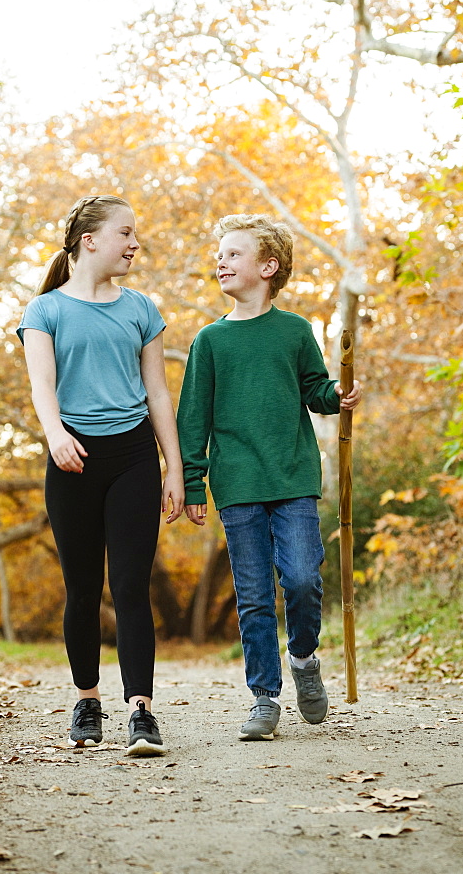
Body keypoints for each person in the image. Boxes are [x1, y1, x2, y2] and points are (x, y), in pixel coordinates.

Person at [177, 214, 362, 741]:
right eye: (221, 254)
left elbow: (314, 389)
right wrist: (193, 484)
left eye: (234, 254)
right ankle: (264, 696)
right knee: (255, 595)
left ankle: (304, 658)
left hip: (292, 476)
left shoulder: (294, 330)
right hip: (237, 483)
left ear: (267, 266)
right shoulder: (210, 341)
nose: (222, 261)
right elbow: (193, 419)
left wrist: (337, 396)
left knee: (303, 579)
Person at [17, 194, 184, 757]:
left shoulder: (142, 309)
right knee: (83, 588)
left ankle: (142, 711)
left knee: (132, 586)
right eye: (126, 234)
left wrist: (174, 468)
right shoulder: (45, 311)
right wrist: (56, 434)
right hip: (73, 460)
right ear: (90, 240)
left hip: (133, 457)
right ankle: (87, 700)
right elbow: (42, 385)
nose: (135, 244)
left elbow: (158, 393)